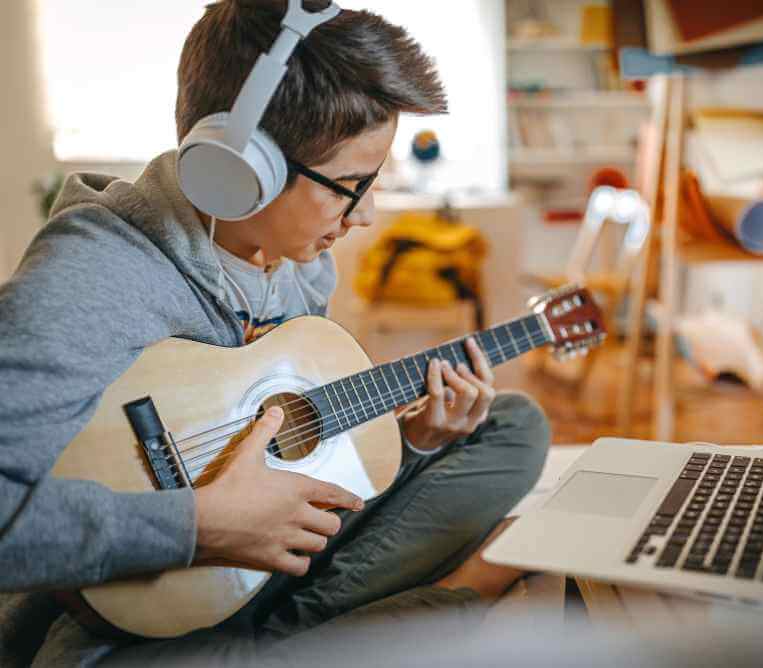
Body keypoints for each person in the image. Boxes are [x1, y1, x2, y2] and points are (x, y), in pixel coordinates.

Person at [0, 2, 549, 665]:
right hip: (133, 603)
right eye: (350, 186)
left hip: (258, 568)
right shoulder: (91, 279)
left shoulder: (302, 264)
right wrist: (199, 526)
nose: (367, 214)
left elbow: (297, 448)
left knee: (514, 425)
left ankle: (285, 635)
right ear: (237, 169)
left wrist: (413, 442)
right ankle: (455, 593)